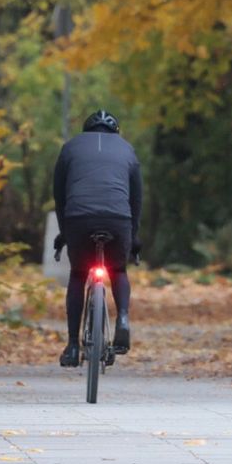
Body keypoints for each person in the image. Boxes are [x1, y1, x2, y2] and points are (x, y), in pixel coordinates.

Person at [51, 109, 141, 367]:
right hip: (118, 218)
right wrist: (133, 237)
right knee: (118, 270)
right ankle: (123, 317)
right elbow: (136, 199)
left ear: (86, 129)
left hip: (79, 218)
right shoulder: (127, 150)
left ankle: (71, 346)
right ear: (116, 131)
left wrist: (64, 232)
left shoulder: (70, 148)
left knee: (79, 275)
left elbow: (60, 195)